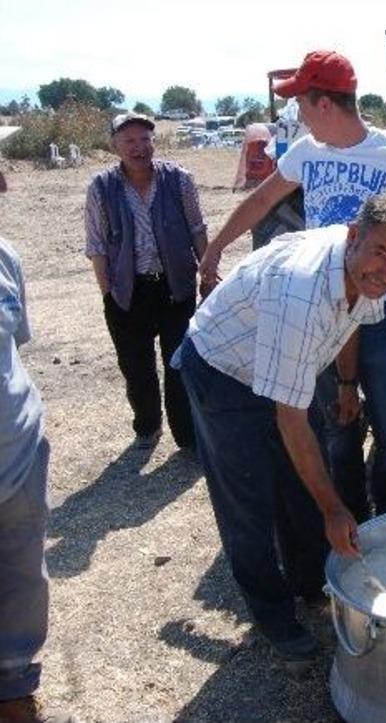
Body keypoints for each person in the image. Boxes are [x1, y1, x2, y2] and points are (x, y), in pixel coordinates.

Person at [197, 50, 386, 521]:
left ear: (323, 104)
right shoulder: (305, 153)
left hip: (375, 312)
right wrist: (216, 247)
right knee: (337, 430)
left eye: (299, 101)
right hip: (315, 311)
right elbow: (261, 203)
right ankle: (351, 522)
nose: (295, 112)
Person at [173, 194, 386, 660]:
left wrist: (348, 383)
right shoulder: (302, 289)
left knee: (301, 485)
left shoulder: (368, 278)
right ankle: (273, 615)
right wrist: (336, 510)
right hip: (224, 367)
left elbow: (352, 322)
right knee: (249, 499)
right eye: (381, 253)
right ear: (355, 237)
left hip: (286, 360)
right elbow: (290, 419)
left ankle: (311, 582)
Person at [84, 112, 207, 450]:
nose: (138, 147)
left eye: (144, 139)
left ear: (154, 142)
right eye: (129, 141)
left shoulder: (179, 179)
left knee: (179, 364)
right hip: (128, 292)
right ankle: (148, 426)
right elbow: (96, 244)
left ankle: (187, 436)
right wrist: (108, 294)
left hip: (175, 288)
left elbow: (197, 229)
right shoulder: (100, 187)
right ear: (115, 146)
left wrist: (207, 270)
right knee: (136, 367)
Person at [0, 238, 75, 723]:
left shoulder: (5, 255)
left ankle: (13, 686)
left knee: (21, 578)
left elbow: (13, 346)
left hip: (17, 451)